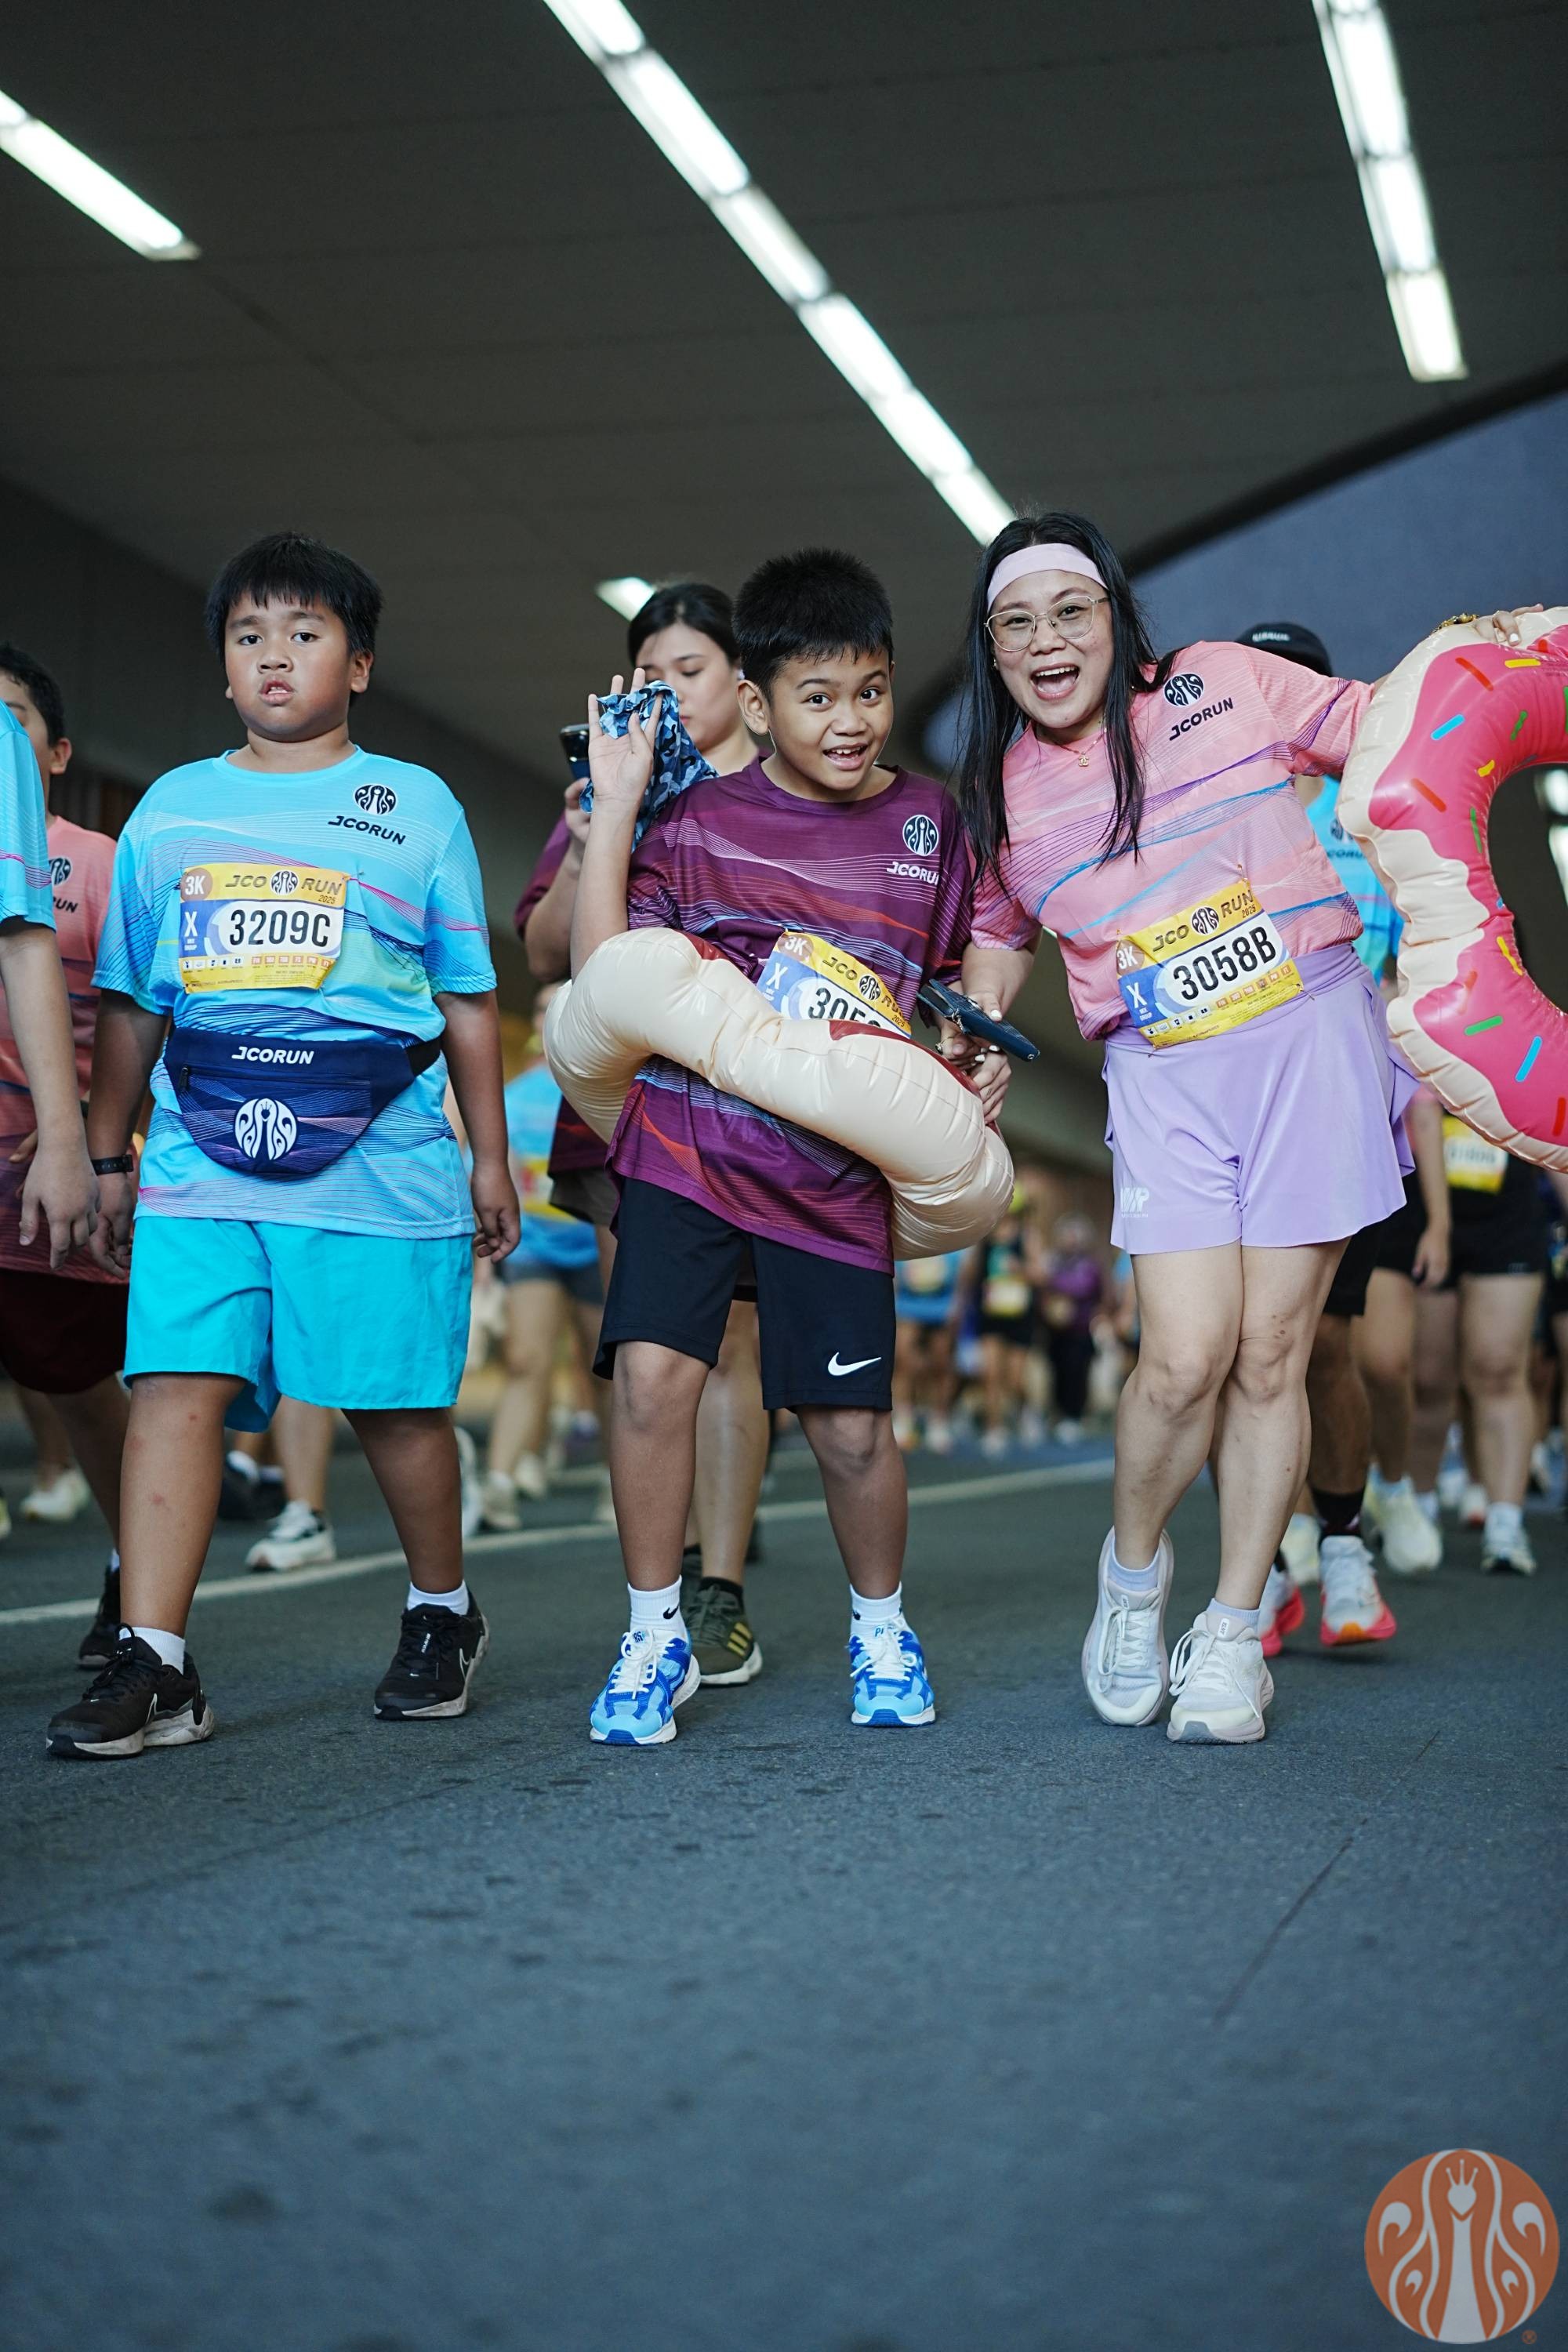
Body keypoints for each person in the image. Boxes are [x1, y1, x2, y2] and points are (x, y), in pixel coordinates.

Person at [952, 509, 1535, 1744]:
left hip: (1311, 1037)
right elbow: (1000, 937)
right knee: (1181, 1360)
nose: (1048, 642)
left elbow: (1390, 730)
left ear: (1115, 618)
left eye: (1071, 612)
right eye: (1017, 623)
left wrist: (1484, 662)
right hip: (1160, 1067)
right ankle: (1133, 1579)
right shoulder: (1000, 794)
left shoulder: (1224, 681)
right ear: (992, 648)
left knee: (1274, 1354)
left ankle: (1229, 1636)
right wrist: (982, 1025)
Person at [45, 532, 517, 1760]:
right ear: (222, 666)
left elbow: (468, 997)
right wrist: (108, 1156)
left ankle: (441, 1611)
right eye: (248, 635)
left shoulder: (418, 806)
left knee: (392, 1407)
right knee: (175, 1383)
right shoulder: (171, 810)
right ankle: (156, 1659)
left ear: (358, 663)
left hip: (379, 1153)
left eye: (304, 634)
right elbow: (133, 1001)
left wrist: (489, 1158)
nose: (273, 655)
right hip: (200, 1152)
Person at [572, 546, 1004, 1743]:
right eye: (818, 697)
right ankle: (653, 1635)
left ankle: (883, 1630)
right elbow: (609, 972)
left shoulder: (927, 823)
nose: (851, 720)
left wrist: (974, 1039)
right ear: (758, 706)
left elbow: (958, 970)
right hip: (688, 1145)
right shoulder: (696, 820)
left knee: (851, 1431)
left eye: (871, 690)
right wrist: (618, 804)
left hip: (833, 1172)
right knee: (653, 1383)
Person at [518, 581, 773, 1688]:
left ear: (742, 683)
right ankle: (657, 1596)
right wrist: (589, 843)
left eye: (690, 670)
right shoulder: (606, 788)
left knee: (736, 1348)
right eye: (650, 673)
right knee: (650, 1351)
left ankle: (721, 1586)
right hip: (623, 1111)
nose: (667, 692)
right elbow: (545, 954)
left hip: (753, 1111)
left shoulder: (782, 794)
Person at [1232, 621, 1406, 1646]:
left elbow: (1417, 968)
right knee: (1235, 1355)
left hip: (1344, 1114)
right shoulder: (1204, 806)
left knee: (1323, 1345)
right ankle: (1257, 1573)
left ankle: (1342, 1547)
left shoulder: (1372, 816)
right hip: (1230, 1114)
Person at [0, 648, 126, 1664]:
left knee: (80, 1382)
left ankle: (140, 1573)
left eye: (10, 718)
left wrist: (90, 1132)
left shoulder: (97, 864)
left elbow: (148, 1013)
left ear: (56, 751)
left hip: (50, 1181)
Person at [480, 984, 605, 1528]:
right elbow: (490, 1171)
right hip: (536, 1247)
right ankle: (498, 1484)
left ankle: (622, 1485)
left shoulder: (605, 1089)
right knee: (525, 1361)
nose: (547, 1016)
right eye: (539, 1007)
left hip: (597, 1246)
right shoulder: (513, 1097)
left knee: (607, 1373)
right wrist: (484, 1265)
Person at [1405, 1113, 1550, 1573]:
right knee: (1427, 1380)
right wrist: (1437, 1224)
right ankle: (1417, 1511)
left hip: (1508, 1217)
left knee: (1500, 1370)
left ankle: (1506, 1524)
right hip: (1422, 1210)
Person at [969, 1189, 1039, 1455]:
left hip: (1019, 1315)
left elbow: (1042, 1273)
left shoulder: (1028, 1236)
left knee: (1015, 1378)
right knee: (990, 1373)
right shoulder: (985, 1235)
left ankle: (1025, 1410)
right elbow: (972, 1272)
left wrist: (1020, 1269)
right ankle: (994, 1428)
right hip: (991, 1314)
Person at [891, 1249, 967, 1452]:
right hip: (908, 1305)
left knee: (942, 1365)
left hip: (942, 1306)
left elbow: (965, 1273)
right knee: (902, 1362)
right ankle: (903, 1417)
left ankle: (939, 1420)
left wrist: (959, 1303)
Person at [1039, 1211, 1104, 1442]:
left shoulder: (1088, 1265)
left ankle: (1075, 1415)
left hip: (1080, 1330)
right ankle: (1058, 1413)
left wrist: (1051, 1281)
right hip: (1056, 1331)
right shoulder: (1054, 1261)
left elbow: (1085, 1287)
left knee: (1078, 1373)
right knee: (1057, 1372)